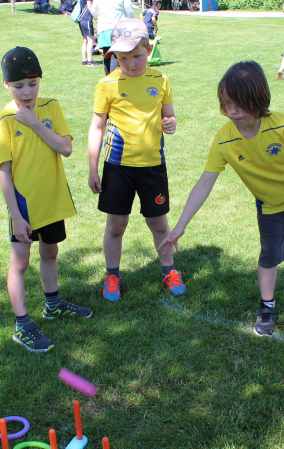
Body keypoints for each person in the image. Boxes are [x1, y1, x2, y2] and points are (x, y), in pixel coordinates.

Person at [158, 61, 284, 337]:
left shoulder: (282, 124)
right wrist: (181, 226)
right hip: (269, 207)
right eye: (226, 104)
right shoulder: (224, 139)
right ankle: (267, 306)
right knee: (268, 255)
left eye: (239, 104)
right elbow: (204, 183)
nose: (232, 111)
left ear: (258, 99)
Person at [0, 46, 92, 352]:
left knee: (50, 252)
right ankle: (22, 325)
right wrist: (16, 215)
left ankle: (53, 304)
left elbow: (66, 148)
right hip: (24, 205)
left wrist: (34, 122)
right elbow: (4, 173)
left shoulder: (51, 107)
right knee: (20, 262)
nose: (27, 92)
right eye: (19, 86)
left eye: (32, 84)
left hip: (52, 199)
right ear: (6, 86)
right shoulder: (4, 121)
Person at [87, 18, 184, 302]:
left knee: (159, 225)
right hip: (118, 168)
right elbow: (97, 127)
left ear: (149, 49)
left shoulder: (160, 80)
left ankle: (169, 271)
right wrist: (92, 168)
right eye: (123, 58)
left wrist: (170, 123)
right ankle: (112, 276)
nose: (130, 64)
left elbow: (169, 115)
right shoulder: (106, 84)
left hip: (153, 166)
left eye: (137, 56)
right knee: (116, 226)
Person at [91, 0, 135, 75]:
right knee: (116, 55)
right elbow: (129, 10)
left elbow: (94, 11)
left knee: (107, 54)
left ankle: (108, 78)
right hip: (118, 28)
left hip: (103, 28)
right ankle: (113, 79)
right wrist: (133, 19)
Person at [78, 0, 96, 67]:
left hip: (81, 19)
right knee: (90, 40)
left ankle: (84, 60)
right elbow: (89, 7)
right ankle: (90, 61)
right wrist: (96, 18)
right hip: (87, 19)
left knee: (85, 40)